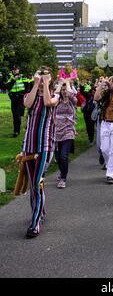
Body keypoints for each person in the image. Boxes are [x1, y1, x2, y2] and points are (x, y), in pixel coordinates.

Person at [21, 66, 59, 238]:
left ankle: (34, 223)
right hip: (28, 146)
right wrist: (36, 83)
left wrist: (45, 83)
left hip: (45, 146)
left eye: (46, 77)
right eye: (40, 75)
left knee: (37, 183)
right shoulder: (30, 95)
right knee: (33, 185)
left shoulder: (55, 96)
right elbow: (27, 103)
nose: (42, 79)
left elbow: (47, 102)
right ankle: (40, 211)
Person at [54, 79, 77, 189]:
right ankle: (62, 172)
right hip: (56, 131)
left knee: (64, 156)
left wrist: (67, 82)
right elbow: (55, 95)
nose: (64, 92)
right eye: (62, 90)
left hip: (68, 130)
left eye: (65, 89)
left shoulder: (72, 100)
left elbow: (71, 93)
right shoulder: (56, 100)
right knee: (58, 157)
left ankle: (63, 178)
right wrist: (59, 85)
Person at [6, 66, 33, 137]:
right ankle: (16, 131)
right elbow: (8, 87)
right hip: (14, 98)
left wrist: (25, 94)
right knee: (15, 115)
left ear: (18, 70)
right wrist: (13, 80)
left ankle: (17, 131)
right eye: (14, 69)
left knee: (18, 114)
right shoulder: (10, 77)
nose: (15, 71)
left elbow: (28, 85)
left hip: (21, 98)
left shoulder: (22, 77)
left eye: (16, 69)